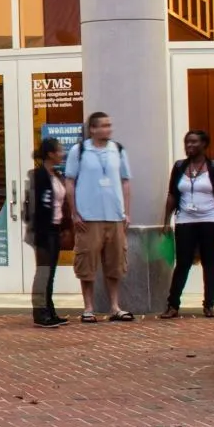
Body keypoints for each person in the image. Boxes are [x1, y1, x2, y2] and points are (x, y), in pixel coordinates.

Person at [61, 110, 135, 323]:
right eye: (103, 125)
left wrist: (126, 213)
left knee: (115, 263)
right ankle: (88, 308)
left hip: (114, 216)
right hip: (88, 218)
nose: (107, 129)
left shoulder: (118, 150)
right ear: (92, 129)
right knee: (87, 263)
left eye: (109, 125)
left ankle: (114, 307)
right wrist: (74, 212)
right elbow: (70, 182)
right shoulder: (80, 150)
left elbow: (126, 181)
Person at [161, 128, 214, 318]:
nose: (190, 146)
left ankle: (209, 305)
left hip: (210, 219)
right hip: (185, 220)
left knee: (209, 263)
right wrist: (166, 220)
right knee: (183, 263)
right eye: (187, 142)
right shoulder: (179, 167)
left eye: (194, 142)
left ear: (204, 145)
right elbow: (172, 194)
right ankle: (172, 305)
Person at [23, 137, 72, 327]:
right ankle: (40, 313)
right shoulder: (38, 176)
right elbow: (36, 206)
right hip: (43, 231)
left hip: (55, 228)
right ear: (50, 154)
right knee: (43, 272)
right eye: (59, 151)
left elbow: (62, 203)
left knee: (50, 272)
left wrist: (65, 227)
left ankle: (50, 310)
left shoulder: (57, 175)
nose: (62, 154)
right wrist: (37, 231)